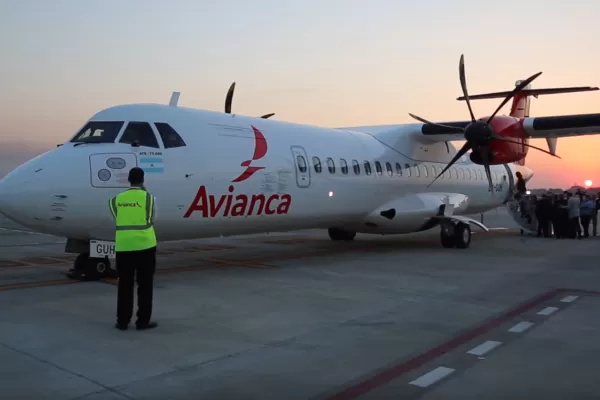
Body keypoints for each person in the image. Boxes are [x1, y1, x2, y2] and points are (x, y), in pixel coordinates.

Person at [108, 167, 158, 331]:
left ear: (128, 180)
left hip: (124, 247)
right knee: (145, 285)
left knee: (124, 285)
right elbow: (151, 218)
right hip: (145, 246)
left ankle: (122, 321)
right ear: (143, 180)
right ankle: (142, 321)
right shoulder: (149, 198)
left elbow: (117, 217)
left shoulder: (116, 200)